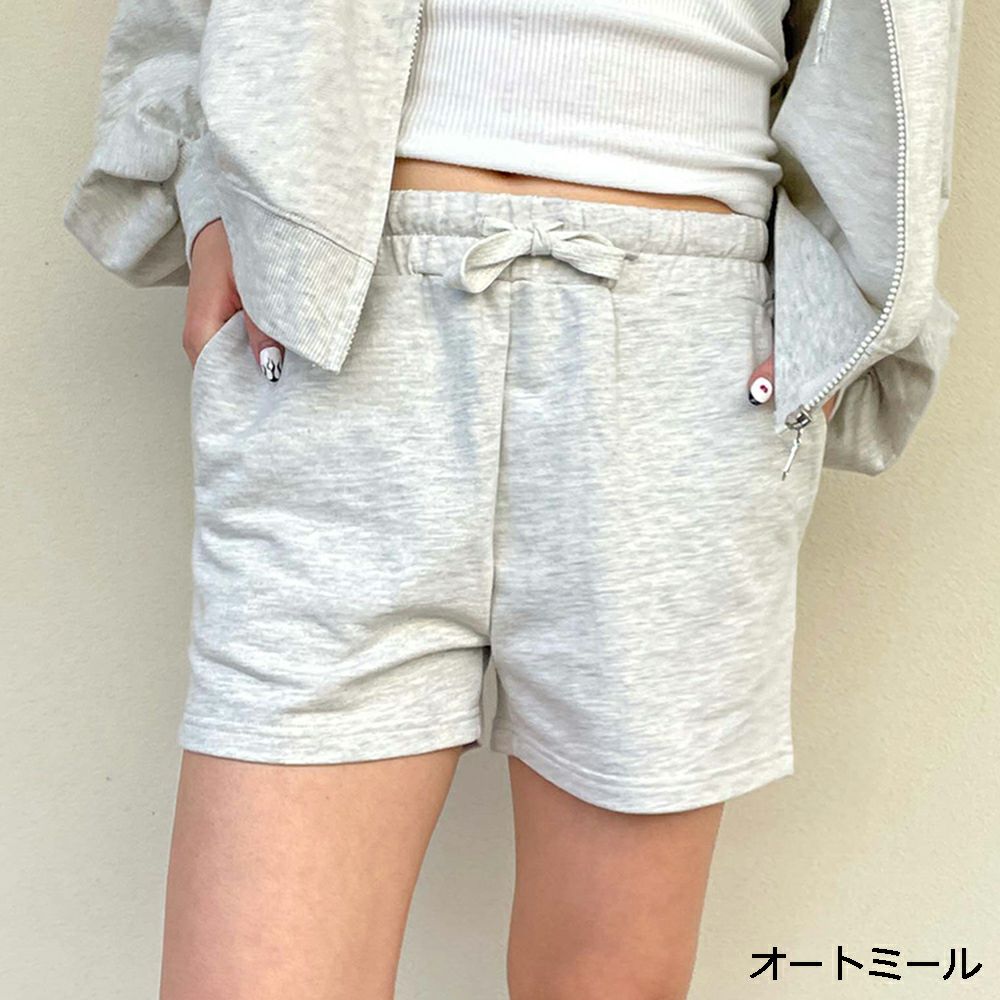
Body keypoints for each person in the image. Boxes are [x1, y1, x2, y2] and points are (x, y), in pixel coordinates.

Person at [63, 1, 965, 998]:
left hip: (684, 349)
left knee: (608, 984)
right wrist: (207, 198)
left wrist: (840, 300)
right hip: (338, 317)